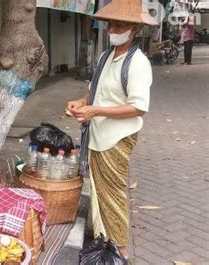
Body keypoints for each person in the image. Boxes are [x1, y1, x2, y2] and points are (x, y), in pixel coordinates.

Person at [65, 0, 156, 260]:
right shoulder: (106, 56)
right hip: (98, 135)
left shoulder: (137, 63)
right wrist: (82, 102)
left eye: (119, 25)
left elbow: (139, 107)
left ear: (134, 29)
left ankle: (121, 252)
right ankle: (105, 241)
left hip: (117, 139)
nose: (112, 29)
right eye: (110, 25)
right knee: (99, 191)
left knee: (113, 194)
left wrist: (95, 111)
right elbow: (96, 89)